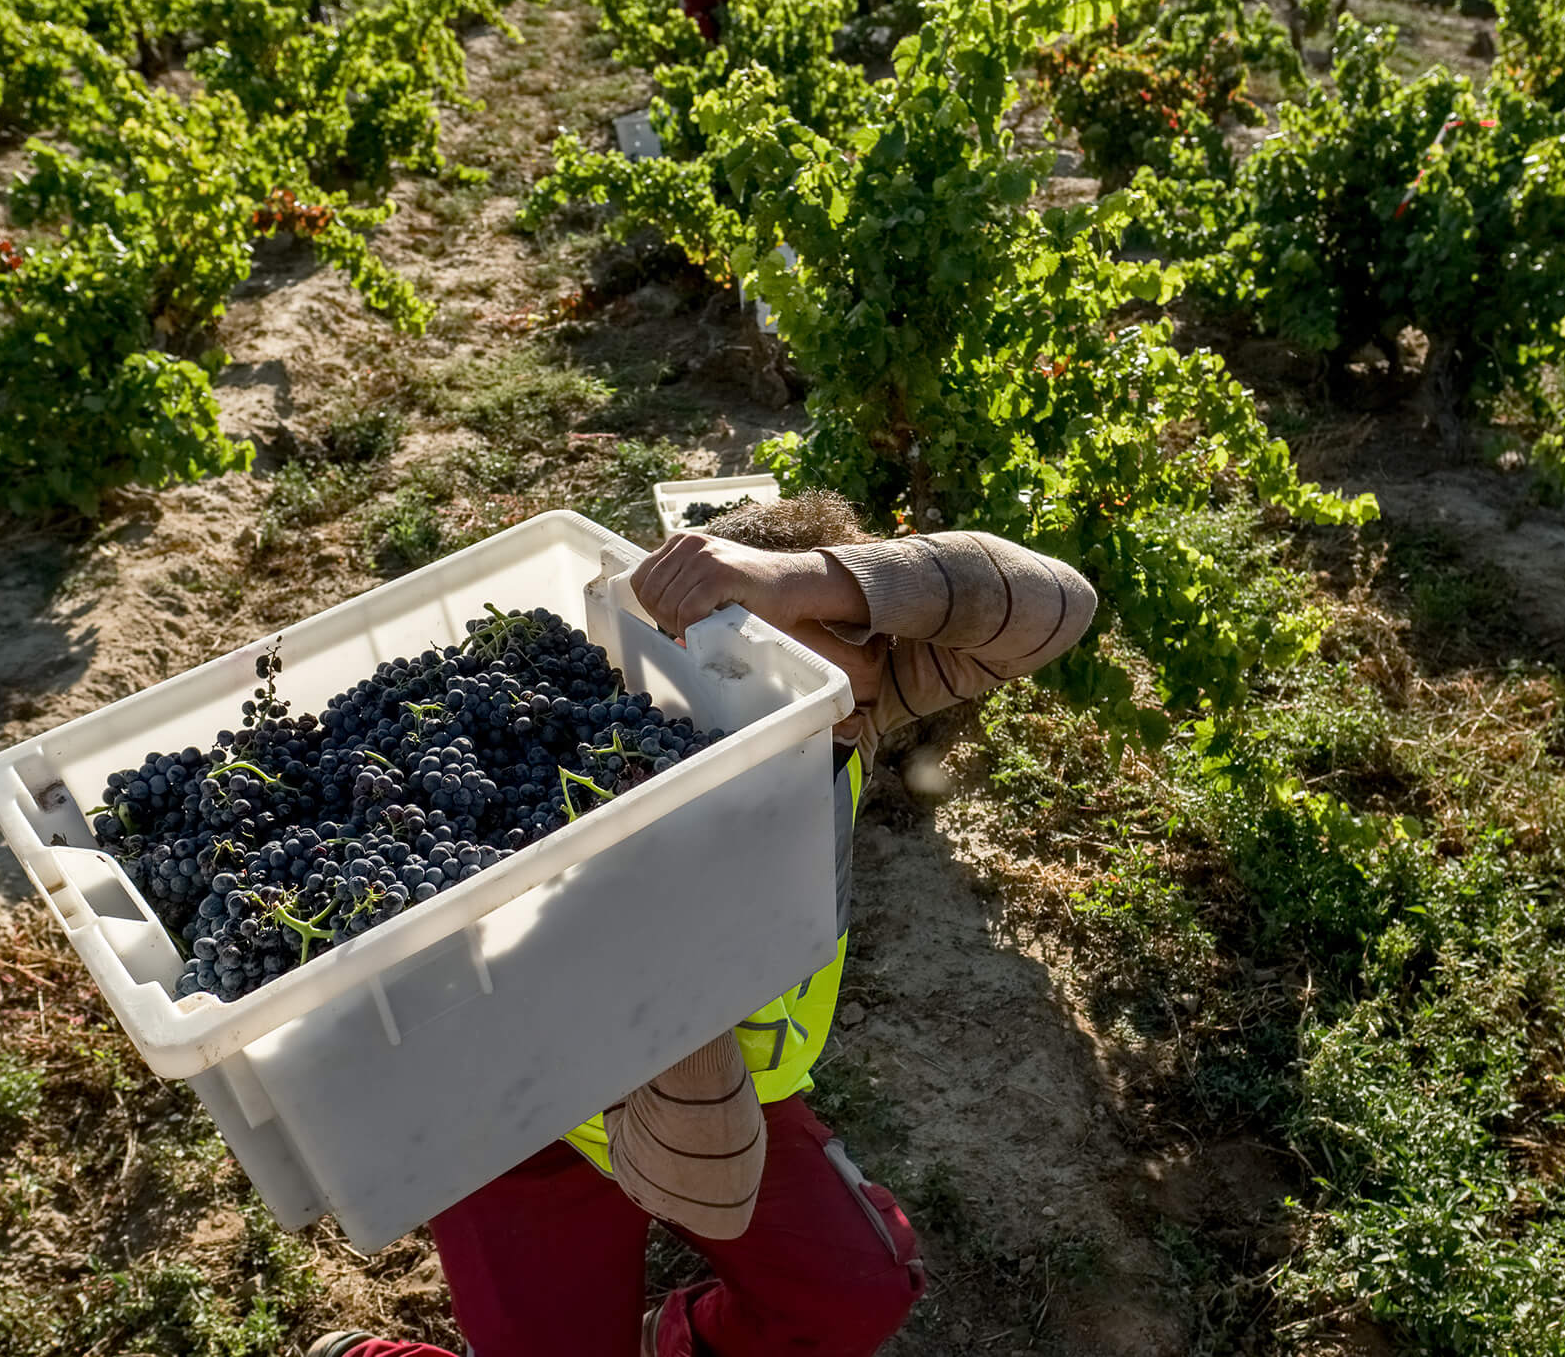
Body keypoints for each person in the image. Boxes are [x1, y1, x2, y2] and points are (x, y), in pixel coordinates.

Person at [308, 491, 1097, 1357]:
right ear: (683, 657)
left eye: (839, 640)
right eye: (764, 658)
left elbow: (1057, 605)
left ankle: (674, 1342)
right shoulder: (640, 778)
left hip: (733, 1099)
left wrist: (805, 577)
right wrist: (683, 987)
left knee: (855, 1295)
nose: (820, 689)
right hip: (521, 1126)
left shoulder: (854, 703)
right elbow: (703, 1178)